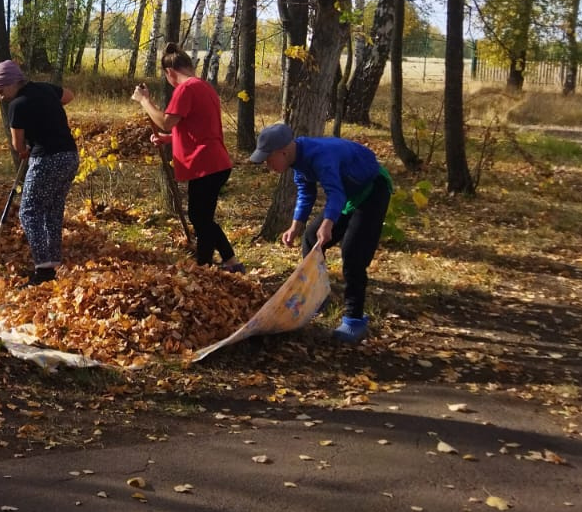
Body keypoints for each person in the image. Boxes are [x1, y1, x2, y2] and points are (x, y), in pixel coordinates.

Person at [249, 122, 392, 344]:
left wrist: (328, 223)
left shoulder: (320, 156)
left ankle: (354, 319)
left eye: (269, 160)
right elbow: (306, 192)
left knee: (353, 253)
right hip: (348, 194)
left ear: (283, 152)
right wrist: (296, 225)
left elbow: (335, 193)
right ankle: (317, 297)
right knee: (309, 236)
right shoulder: (298, 161)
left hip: (372, 189)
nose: (269, 165)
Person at [130, 43, 242, 272]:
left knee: (200, 219)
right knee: (203, 218)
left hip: (206, 164)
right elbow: (196, 127)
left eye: (167, 76)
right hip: (214, 161)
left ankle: (204, 267)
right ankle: (229, 262)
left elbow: (165, 121)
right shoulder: (204, 87)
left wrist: (144, 101)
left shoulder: (186, 89)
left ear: (170, 72)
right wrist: (168, 139)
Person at [0, 60, 78, 285]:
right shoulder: (46, 89)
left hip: (47, 159)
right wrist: (46, 113)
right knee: (53, 208)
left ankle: (43, 270)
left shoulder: (17, 105)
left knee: (29, 211)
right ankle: (53, 260)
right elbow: (68, 95)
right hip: (69, 155)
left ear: (11, 83)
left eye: (1, 91)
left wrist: (25, 149)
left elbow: (18, 145)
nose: (1, 97)